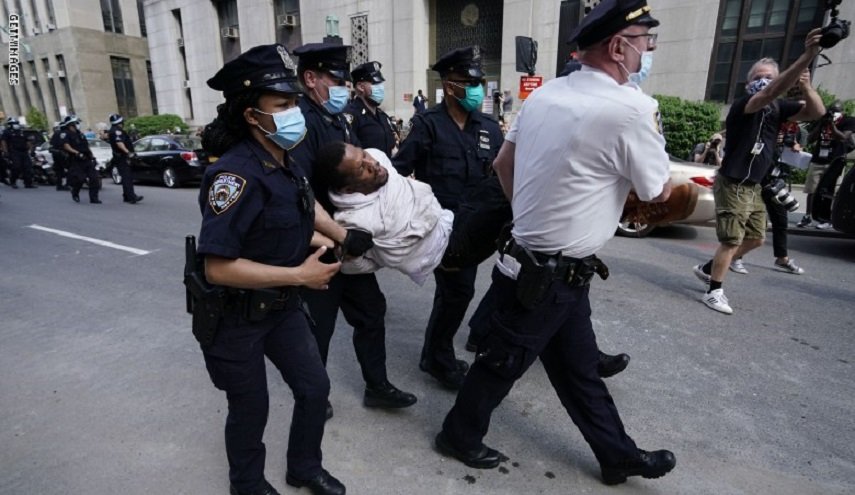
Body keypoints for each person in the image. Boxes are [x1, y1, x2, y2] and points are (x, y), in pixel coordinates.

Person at [436, 0, 677, 485]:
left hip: (548, 265)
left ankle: (617, 455)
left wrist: (529, 218)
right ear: (618, 47)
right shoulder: (631, 108)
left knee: (579, 369)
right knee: (501, 363)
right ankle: (458, 435)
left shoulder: (544, 95)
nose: (647, 51)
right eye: (644, 42)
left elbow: (503, 165)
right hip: (547, 274)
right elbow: (658, 191)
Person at [197, 43, 349, 495]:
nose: (293, 113)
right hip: (236, 316)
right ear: (251, 115)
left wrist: (338, 237)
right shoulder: (234, 176)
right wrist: (300, 276)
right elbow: (217, 268)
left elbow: (297, 215)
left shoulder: (286, 162)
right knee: (251, 407)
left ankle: (304, 467)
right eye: (281, 105)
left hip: (281, 308)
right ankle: (246, 485)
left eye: (294, 103)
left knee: (314, 388)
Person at [290, 42, 417, 416]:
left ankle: (377, 386)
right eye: (335, 80)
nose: (344, 88)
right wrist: (339, 237)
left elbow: (365, 168)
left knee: (371, 314)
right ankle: (314, 397)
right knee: (319, 327)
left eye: (346, 81)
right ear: (310, 78)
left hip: (352, 242)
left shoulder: (340, 120)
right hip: (321, 245)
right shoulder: (300, 123)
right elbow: (300, 194)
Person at [392, 45, 503, 390]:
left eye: (478, 83)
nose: (476, 89)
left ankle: (436, 352)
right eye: (468, 83)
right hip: (440, 227)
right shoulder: (428, 125)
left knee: (459, 293)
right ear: (449, 85)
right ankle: (438, 359)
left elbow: (502, 174)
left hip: (479, 228)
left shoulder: (489, 127)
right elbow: (398, 173)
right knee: (458, 291)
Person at [693, 33, 825, 314]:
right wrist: (807, 56)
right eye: (759, 77)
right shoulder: (745, 104)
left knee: (756, 238)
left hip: (754, 185)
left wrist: (807, 86)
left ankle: (708, 268)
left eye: (770, 77)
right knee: (731, 240)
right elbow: (767, 94)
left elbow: (817, 112)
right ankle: (714, 291)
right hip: (732, 182)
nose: (764, 81)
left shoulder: (778, 109)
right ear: (748, 83)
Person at [798, 102, 855, 229]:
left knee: (830, 191)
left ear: (842, 112)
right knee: (811, 190)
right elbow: (810, 139)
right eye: (831, 111)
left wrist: (832, 125)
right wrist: (821, 124)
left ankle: (826, 218)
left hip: (834, 162)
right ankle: (808, 216)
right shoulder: (823, 121)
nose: (833, 114)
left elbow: (842, 137)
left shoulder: (847, 121)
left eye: (836, 111)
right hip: (818, 160)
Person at [343, 61, 397, 156]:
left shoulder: (383, 116)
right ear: (360, 87)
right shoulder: (351, 116)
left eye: (380, 83)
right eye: (375, 83)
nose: (380, 87)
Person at [59, 116, 102, 204]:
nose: (77, 125)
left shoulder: (80, 134)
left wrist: (92, 156)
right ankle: (75, 192)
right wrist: (76, 153)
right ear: (70, 125)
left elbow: (86, 146)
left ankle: (94, 198)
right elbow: (66, 146)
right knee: (80, 179)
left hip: (87, 158)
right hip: (76, 160)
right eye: (76, 123)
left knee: (94, 178)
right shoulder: (65, 134)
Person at [107, 113, 144, 204]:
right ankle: (131, 197)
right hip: (122, 157)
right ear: (120, 122)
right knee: (127, 177)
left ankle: (126, 196)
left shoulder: (113, 130)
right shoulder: (117, 131)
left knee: (126, 177)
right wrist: (128, 153)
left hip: (120, 157)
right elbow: (119, 143)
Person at [1, 118, 37, 189]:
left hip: (24, 152)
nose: (15, 125)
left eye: (16, 123)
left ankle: (28, 183)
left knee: (28, 167)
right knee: (16, 167)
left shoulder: (22, 131)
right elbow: (3, 142)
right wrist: (5, 151)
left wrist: (31, 150)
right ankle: (13, 182)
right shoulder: (7, 132)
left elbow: (28, 141)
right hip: (14, 152)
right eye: (13, 124)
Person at [49, 123, 70, 190]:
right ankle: (67, 184)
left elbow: (51, 144)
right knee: (69, 169)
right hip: (63, 154)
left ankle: (59, 185)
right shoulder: (66, 133)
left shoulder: (56, 134)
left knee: (59, 171)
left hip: (56, 154)